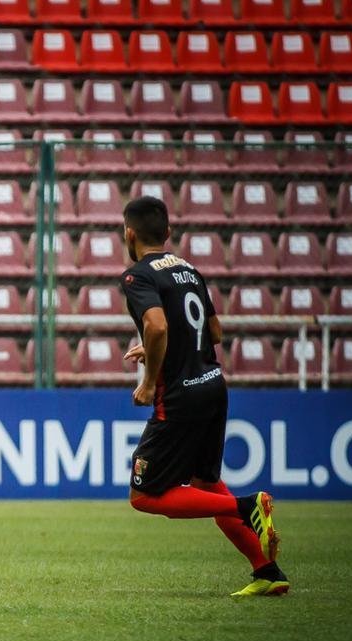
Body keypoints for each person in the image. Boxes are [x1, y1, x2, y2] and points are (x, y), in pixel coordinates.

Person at [118, 196, 289, 597]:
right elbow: (214, 333)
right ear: (169, 233)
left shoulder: (137, 277)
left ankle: (247, 506)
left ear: (128, 233)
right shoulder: (189, 270)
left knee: (144, 495)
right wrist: (161, 346)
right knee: (205, 483)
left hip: (180, 396)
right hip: (213, 385)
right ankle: (268, 571)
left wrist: (148, 380)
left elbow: (157, 327)